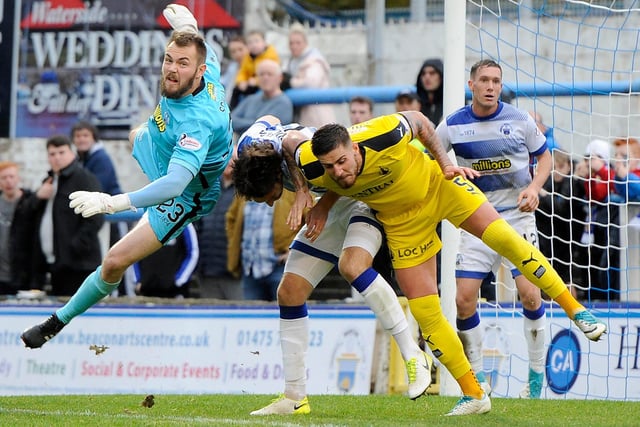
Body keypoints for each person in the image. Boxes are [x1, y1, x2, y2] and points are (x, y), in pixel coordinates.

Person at [291, 109, 607, 415]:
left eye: (342, 161)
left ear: (355, 149)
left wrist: (445, 163)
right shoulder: (312, 162)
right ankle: (474, 393)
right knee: (426, 311)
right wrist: (307, 193)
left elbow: (421, 123)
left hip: (440, 187)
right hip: (402, 224)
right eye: (329, 166)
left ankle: (576, 311)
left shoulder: (384, 133)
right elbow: (289, 145)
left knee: (506, 238)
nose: (338, 171)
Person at [21, 4, 233, 348]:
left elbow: (176, 184)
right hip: (162, 148)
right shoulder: (204, 68)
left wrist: (112, 202)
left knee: (114, 261)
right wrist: (190, 25)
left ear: (198, 73)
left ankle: (57, 321)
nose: (171, 69)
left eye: (182, 64)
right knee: (136, 134)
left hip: (187, 192)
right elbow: (203, 50)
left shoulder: (197, 121)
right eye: (169, 60)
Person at [232, 116, 432, 415]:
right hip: (329, 205)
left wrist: (301, 189)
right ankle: (294, 397)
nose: (271, 204)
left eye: (269, 197)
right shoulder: (249, 147)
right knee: (289, 292)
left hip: (363, 197)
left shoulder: (305, 156)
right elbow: (269, 119)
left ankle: (413, 355)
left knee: (352, 266)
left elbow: (314, 157)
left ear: (277, 176)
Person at [435, 59, 550, 399]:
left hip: (516, 216)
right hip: (476, 218)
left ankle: (535, 379)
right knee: (464, 300)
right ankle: (478, 379)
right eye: (483, 80)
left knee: (530, 294)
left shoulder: (519, 119)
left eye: (496, 81)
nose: (490, 86)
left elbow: (544, 158)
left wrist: (533, 188)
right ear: (471, 84)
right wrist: (449, 172)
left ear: (501, 86)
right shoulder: (453, 125)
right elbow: (432, 156)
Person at [32, 135, 104, 296]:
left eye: (61, 152)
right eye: (52, 154)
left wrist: (75, 246)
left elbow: (96, 217)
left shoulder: (84, 178)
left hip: (79, 265)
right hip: (56, 264)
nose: (57, 158)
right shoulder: (49, 181)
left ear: (71, 153)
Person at [226, 188, 300, 301]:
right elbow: (231, 219)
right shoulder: (245, 190)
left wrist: (295, 250)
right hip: (250, 268)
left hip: (281, 266)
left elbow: (311, 219)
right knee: (252, 317)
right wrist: (235, 244)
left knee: (285, 313)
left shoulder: (291, 189)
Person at [195, 161, 242, 300]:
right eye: (228, 158)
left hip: (234, 271)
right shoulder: (209, 188)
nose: (231, 163)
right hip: (207, 268)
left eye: (236, 159)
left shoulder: (244, 190)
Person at [285, 23, 335, 128]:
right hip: (302, 113)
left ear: (305, 43)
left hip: (317, 112)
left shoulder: (315, 61)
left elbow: (311, 83)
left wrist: (290, 82)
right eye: (291, 43)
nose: (294, 46)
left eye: (298, 43)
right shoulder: (292, 62)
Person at [0, 161, 38, 294]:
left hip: (23, 276)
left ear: (18, 179)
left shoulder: (31, 202)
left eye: (11, 177)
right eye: (4, 178)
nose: (8, 181)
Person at [134, 223, 198, 298]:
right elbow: (133, 252)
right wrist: (138, 280)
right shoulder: (144, 221)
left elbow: (192, 253)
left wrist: (179, 280)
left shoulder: (185, 222)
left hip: (174, 291)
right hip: (146, 289)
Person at [231, 59, 293, 135]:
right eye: (261, 74)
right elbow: (230, 121)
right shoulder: (251, 99)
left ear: (280, 78)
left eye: (270, 74)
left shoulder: (283, 103)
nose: (265, 78)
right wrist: (254, 123)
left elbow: (266, 130)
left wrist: (246, 123)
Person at [230, 30, 280, 110]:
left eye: (257, 41)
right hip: (250, 83)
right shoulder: (248, 57)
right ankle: (232, 111)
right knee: (236, 90)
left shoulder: (270, 55)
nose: (254, 45)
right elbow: (243, 71)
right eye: (250, 42)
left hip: (263, 83)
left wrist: (256, 81)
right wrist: (241, 81)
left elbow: (271, 74)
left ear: (264, 43)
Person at [220, 35, 248, 105]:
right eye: (233, 51)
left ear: (247, 48)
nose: (237, 54)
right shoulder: (232, 67)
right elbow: (222, 82)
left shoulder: (254, 67)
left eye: (240, 49)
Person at [415, 58, 444, 125]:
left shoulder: (454, 100)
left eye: (432, 73)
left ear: (441, 76)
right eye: (423, 73)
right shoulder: (414, 101)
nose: (427, 77)